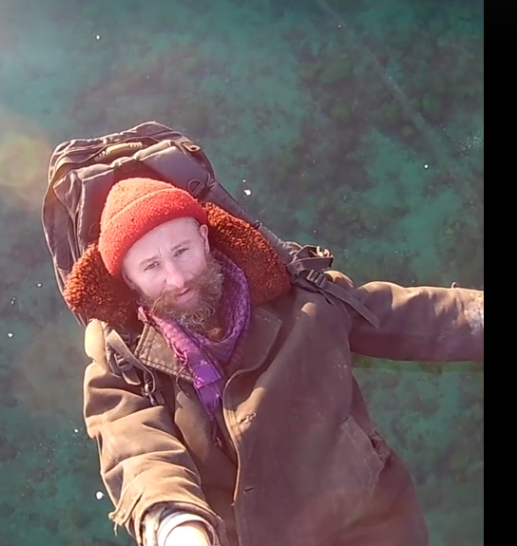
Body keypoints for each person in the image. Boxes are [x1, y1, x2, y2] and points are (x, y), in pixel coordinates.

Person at [59, 177, 484, 546]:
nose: (178, 277)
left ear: (205, 238)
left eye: (183, 250)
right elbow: (137, 451)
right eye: (151, 266)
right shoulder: (122, 363)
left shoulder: (299, 296)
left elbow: (406, 317)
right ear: (129, 280)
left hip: (371, 521)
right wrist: (176, 522)